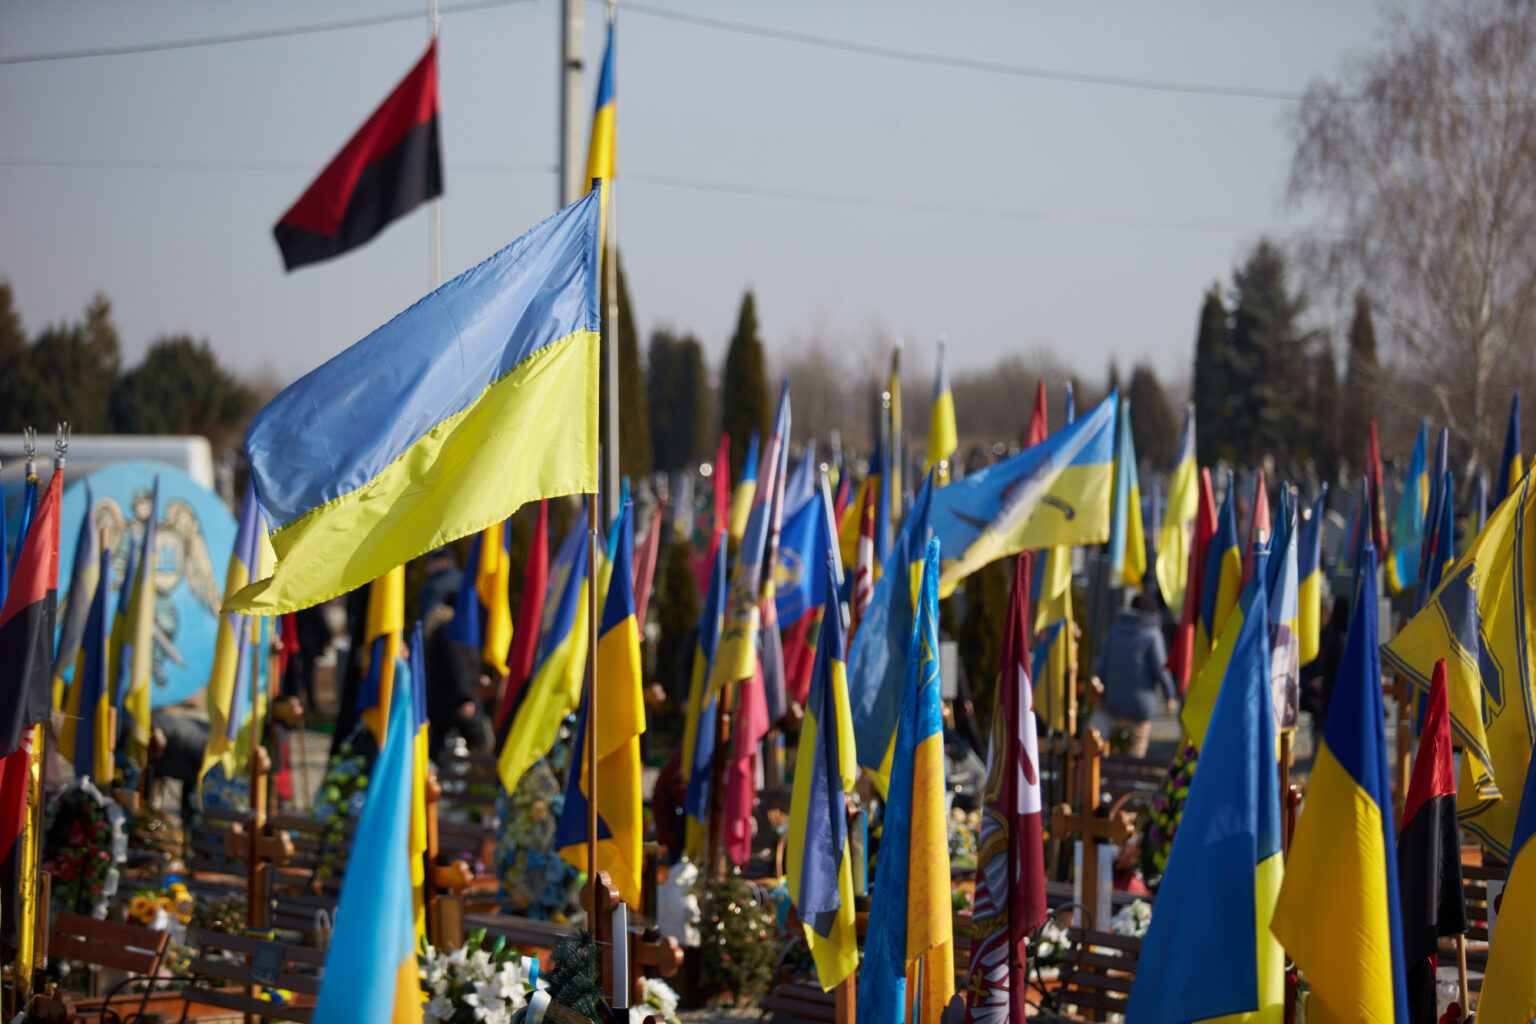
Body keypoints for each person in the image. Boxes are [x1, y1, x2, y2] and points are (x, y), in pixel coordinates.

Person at [1091, 591, 1177, 758]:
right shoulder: (1152, 633)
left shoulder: (1115, 630)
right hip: (1140, 704)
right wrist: (1169, 695)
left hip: (1113, 702)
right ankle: (1133, 781)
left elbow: (1102, 664)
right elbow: (1161, 669)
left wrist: (1101, 695)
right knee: (1136, 750)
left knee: (1115, 747)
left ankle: (1113, 780)